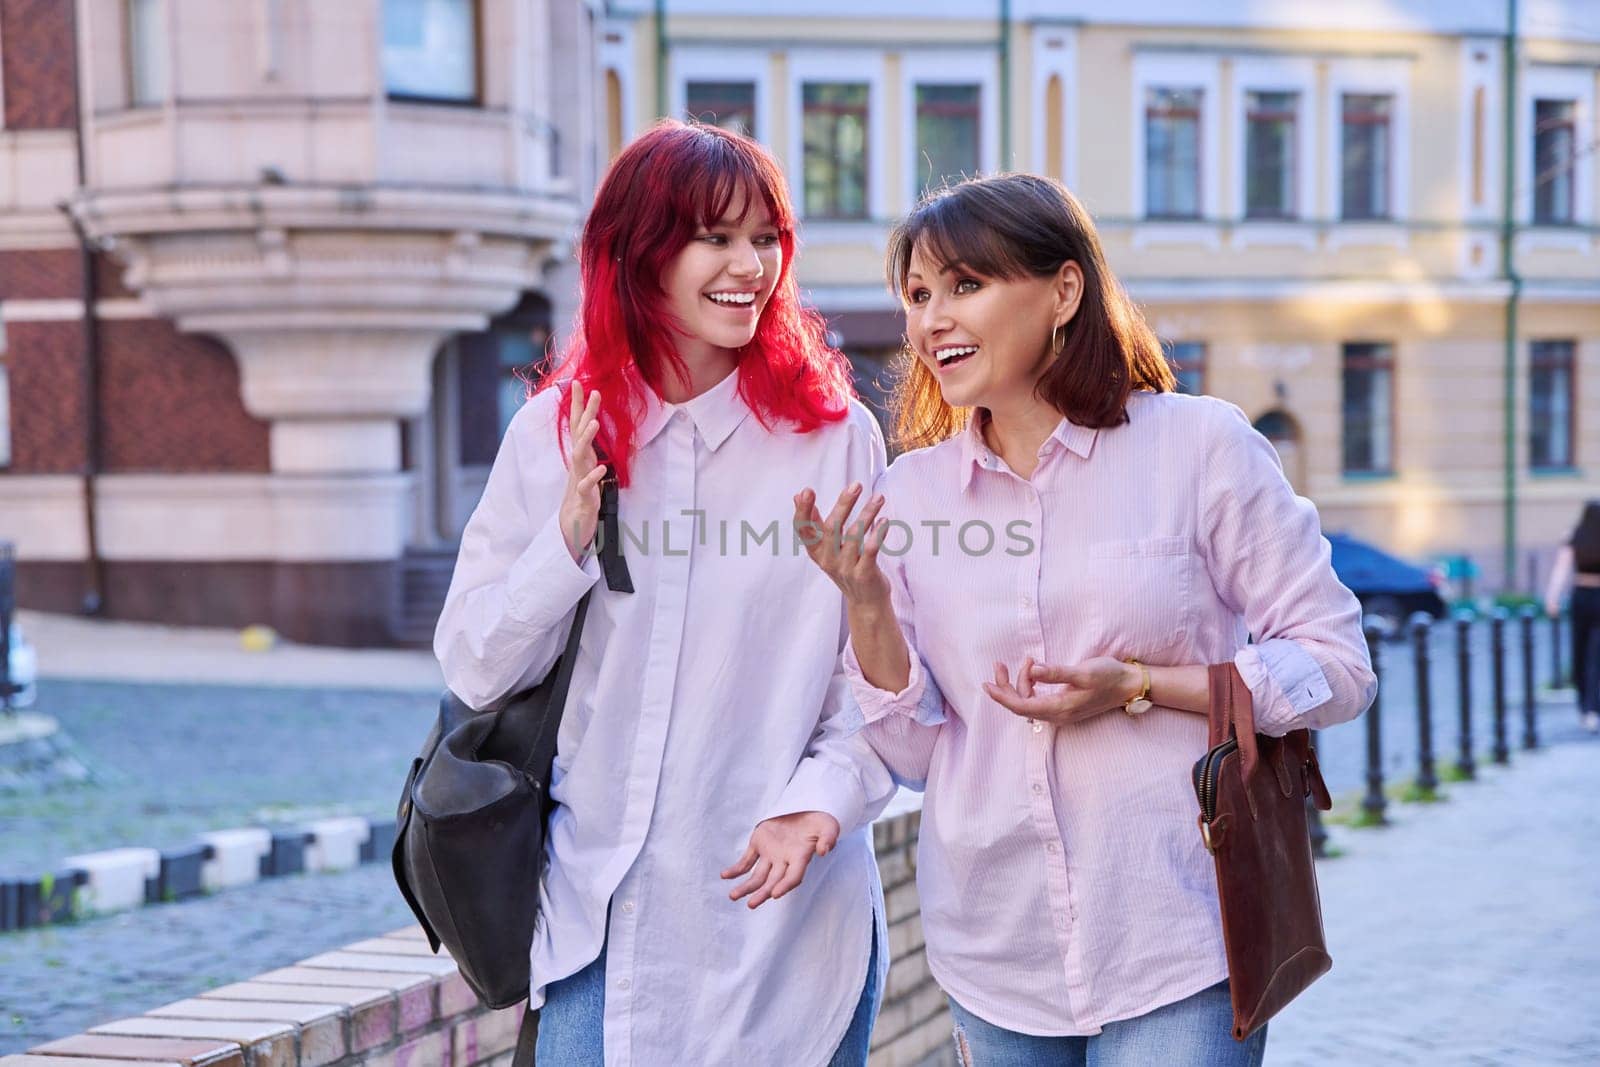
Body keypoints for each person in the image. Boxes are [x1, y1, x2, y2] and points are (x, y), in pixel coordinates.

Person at [797, 173, 1376, 1066]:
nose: (931, 320)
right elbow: (912, 753)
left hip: (1176, 937)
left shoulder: (1199, 448)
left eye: (965, 286)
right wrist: (865, 601)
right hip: (994, 952)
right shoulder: (908, 495)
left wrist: (1140, 687)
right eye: (916, 296)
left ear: (1064, 290)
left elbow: (1339, 666)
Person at [434, 120, 894, 1065]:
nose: (750, 265)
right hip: (594, 919)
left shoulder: (836, 438)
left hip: (785, 932)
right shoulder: (554, 432)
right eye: (714, 238)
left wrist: (821, 802)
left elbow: (875, 685)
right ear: (639, 254)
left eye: (765, 238)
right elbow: (475, 668)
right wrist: (566, 541)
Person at [1543, 500, 1600, 732]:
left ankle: (1585, 707)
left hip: (1581, 597)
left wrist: (1552, 597)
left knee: (1580, 650)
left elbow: (1561, 569)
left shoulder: (1574, 536)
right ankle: (1594, 706)